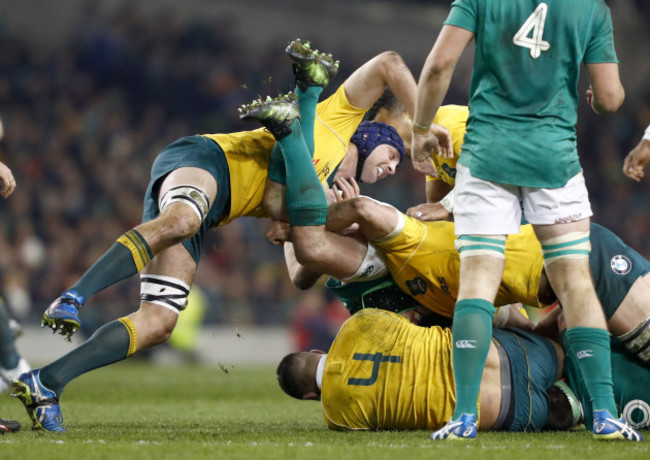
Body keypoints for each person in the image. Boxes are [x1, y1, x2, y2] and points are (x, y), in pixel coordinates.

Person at [12, 40, 419, 433]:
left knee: (159, 322)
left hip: (215, 212)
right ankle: (73, 297)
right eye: (394, 154)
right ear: (373, 137)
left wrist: (326, 224)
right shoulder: (343, 115)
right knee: (186, 220)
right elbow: (389, 62)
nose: (394, 168)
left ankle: (47, 382)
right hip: (207, 161)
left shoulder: (329, 199)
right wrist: (426, 128)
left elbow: (299, 272)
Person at [410, 0, 639, 441]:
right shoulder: (592, 9)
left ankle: (463, 416)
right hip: (553, 158)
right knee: (574, 281)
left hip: (486, 154)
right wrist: (601, 101)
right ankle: (606, 414)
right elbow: (610, 97)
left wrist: (421, 128)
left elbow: (439, 64)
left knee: (478, 279)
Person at [277, 308, 566, 433]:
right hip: (504, 352)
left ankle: (569, 405)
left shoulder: (337, 416)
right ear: (316, 352)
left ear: (309, 396)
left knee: (568, 404)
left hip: (510, 411)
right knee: (567, 354)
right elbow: (411, 320)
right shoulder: (356, 324)